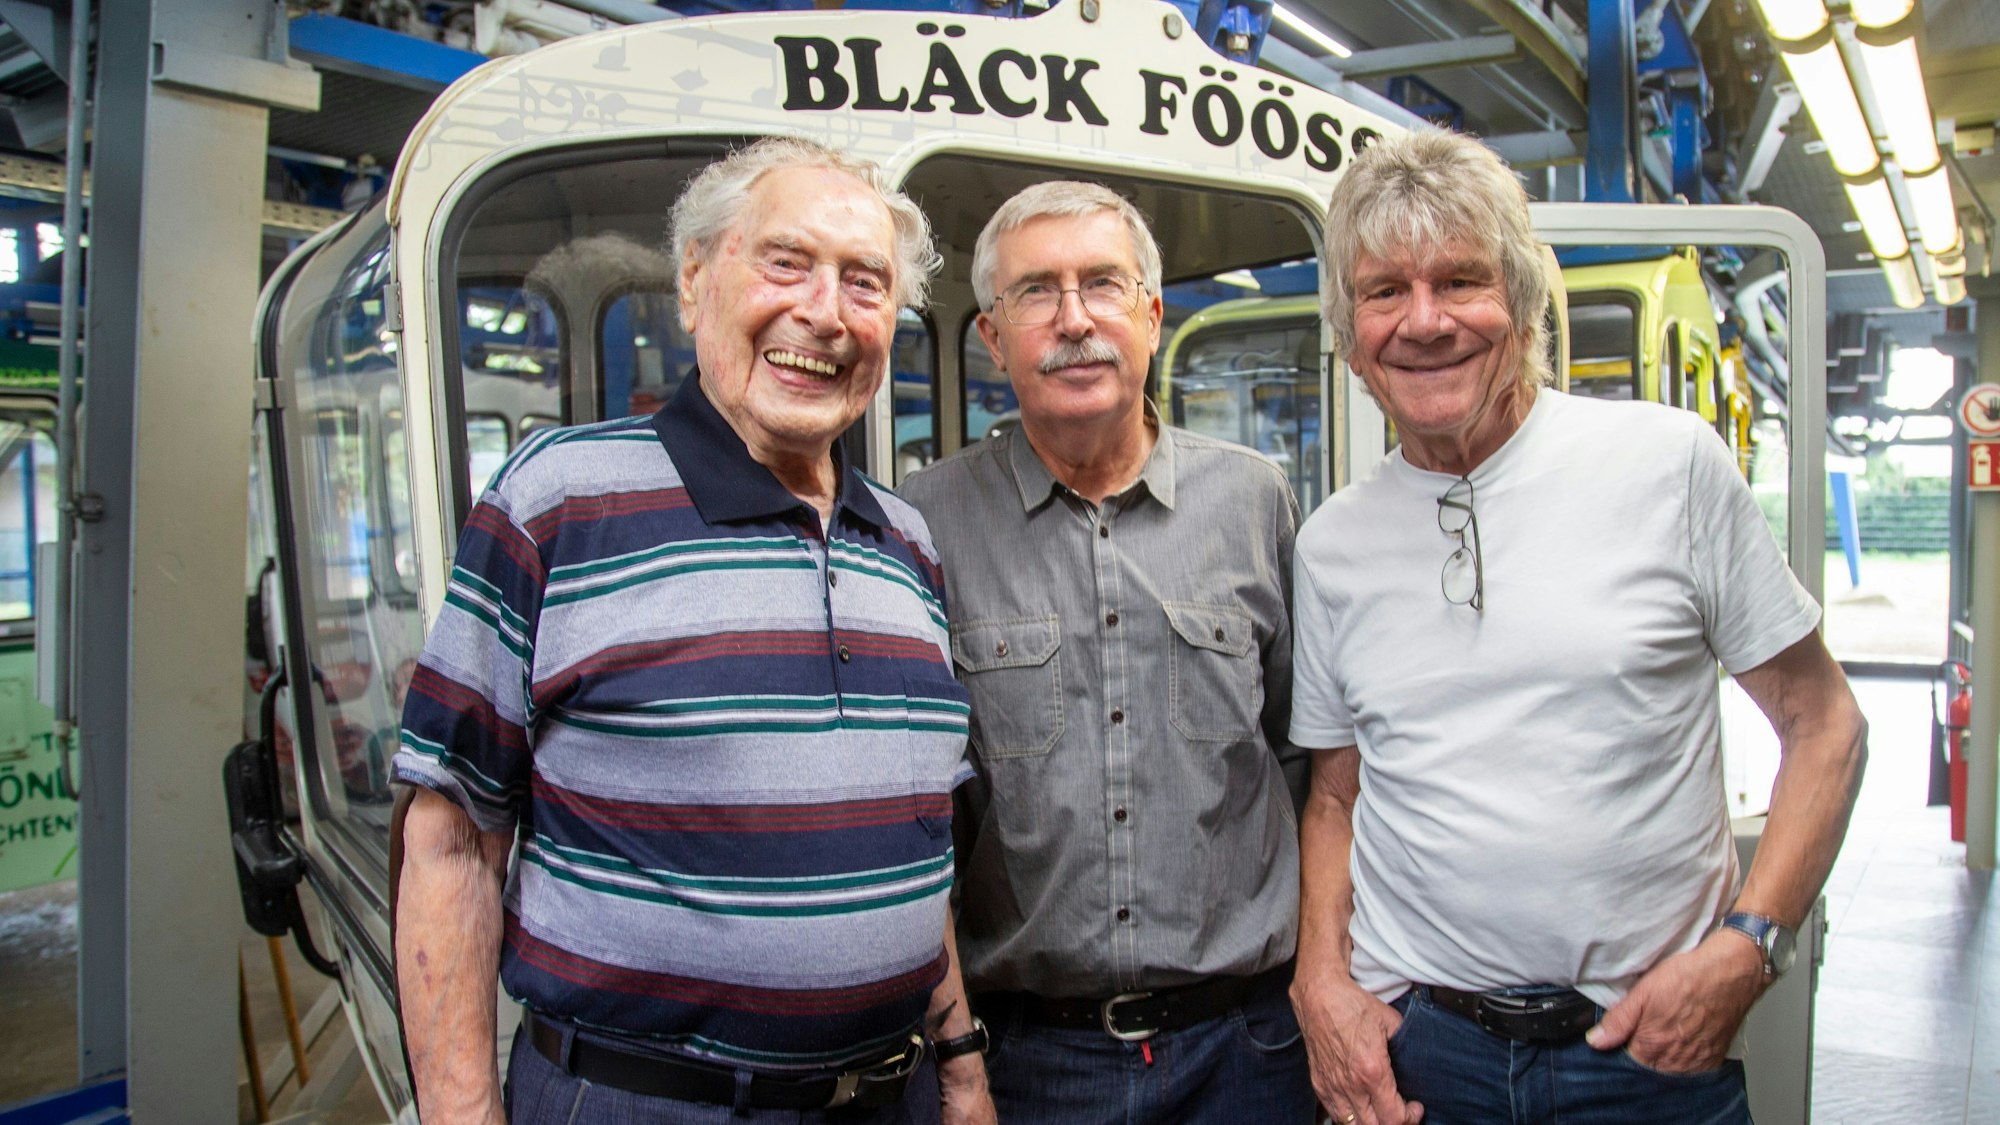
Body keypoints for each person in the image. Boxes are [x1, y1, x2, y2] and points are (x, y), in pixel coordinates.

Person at [391, 136, 995, 1125]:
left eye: (864, 283)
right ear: (692, 284)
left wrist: (961, 1069)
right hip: (642, 1103)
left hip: (892, 1095)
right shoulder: (561, 499)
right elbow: (451, 842)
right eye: (786, 262)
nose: (824, 313)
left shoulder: (907, 545)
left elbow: (912, 851)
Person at [1288, 128, 1868, 1125]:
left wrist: (1747, 947)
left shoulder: (1666, 465)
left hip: (1639, 1056)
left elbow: (1823, 727)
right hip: (1422, 1056)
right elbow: (1334, 799)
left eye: (1459, 281)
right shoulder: (1331, 543)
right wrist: (1319, 983)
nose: (1422, 322)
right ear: (1349, 334)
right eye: (1385, 292)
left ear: (1518, 302)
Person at [900, 181, 1313, 1124]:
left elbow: (1309, 762)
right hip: (1030, 1063)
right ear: (994, 338)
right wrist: (955, 1058)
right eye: (1037, 292)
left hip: (1245, 1051)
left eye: (1104, 286)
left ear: (1154, 317)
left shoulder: (1253, 503)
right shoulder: (926, 524)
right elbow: (918, 817)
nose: (1075, 319)